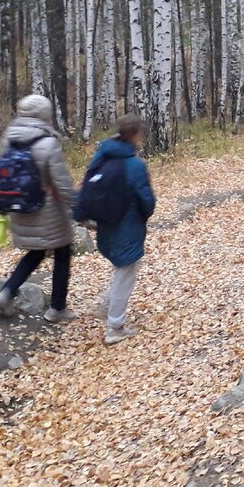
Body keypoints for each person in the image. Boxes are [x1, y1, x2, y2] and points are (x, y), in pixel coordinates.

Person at [0, 94, 79, 323]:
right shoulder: (48, 142)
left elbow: (1, 175)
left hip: (18, 207)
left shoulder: (8, 137)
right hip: (48, 209)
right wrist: (80, 208)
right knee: (62, 253)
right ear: (44, 115)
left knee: (36, 252)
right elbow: (61, 183)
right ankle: (58, 309)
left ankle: (7, 291)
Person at [76, 113, 156, 345]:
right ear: (136, 135)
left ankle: (108, 304)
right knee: (126, 272)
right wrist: (144, 215)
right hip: (127, 225)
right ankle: (115, 326)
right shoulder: (135, 165)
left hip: (105, 223)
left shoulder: (102, 155)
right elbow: (146, 200)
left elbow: (87, 183)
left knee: (124, 267)